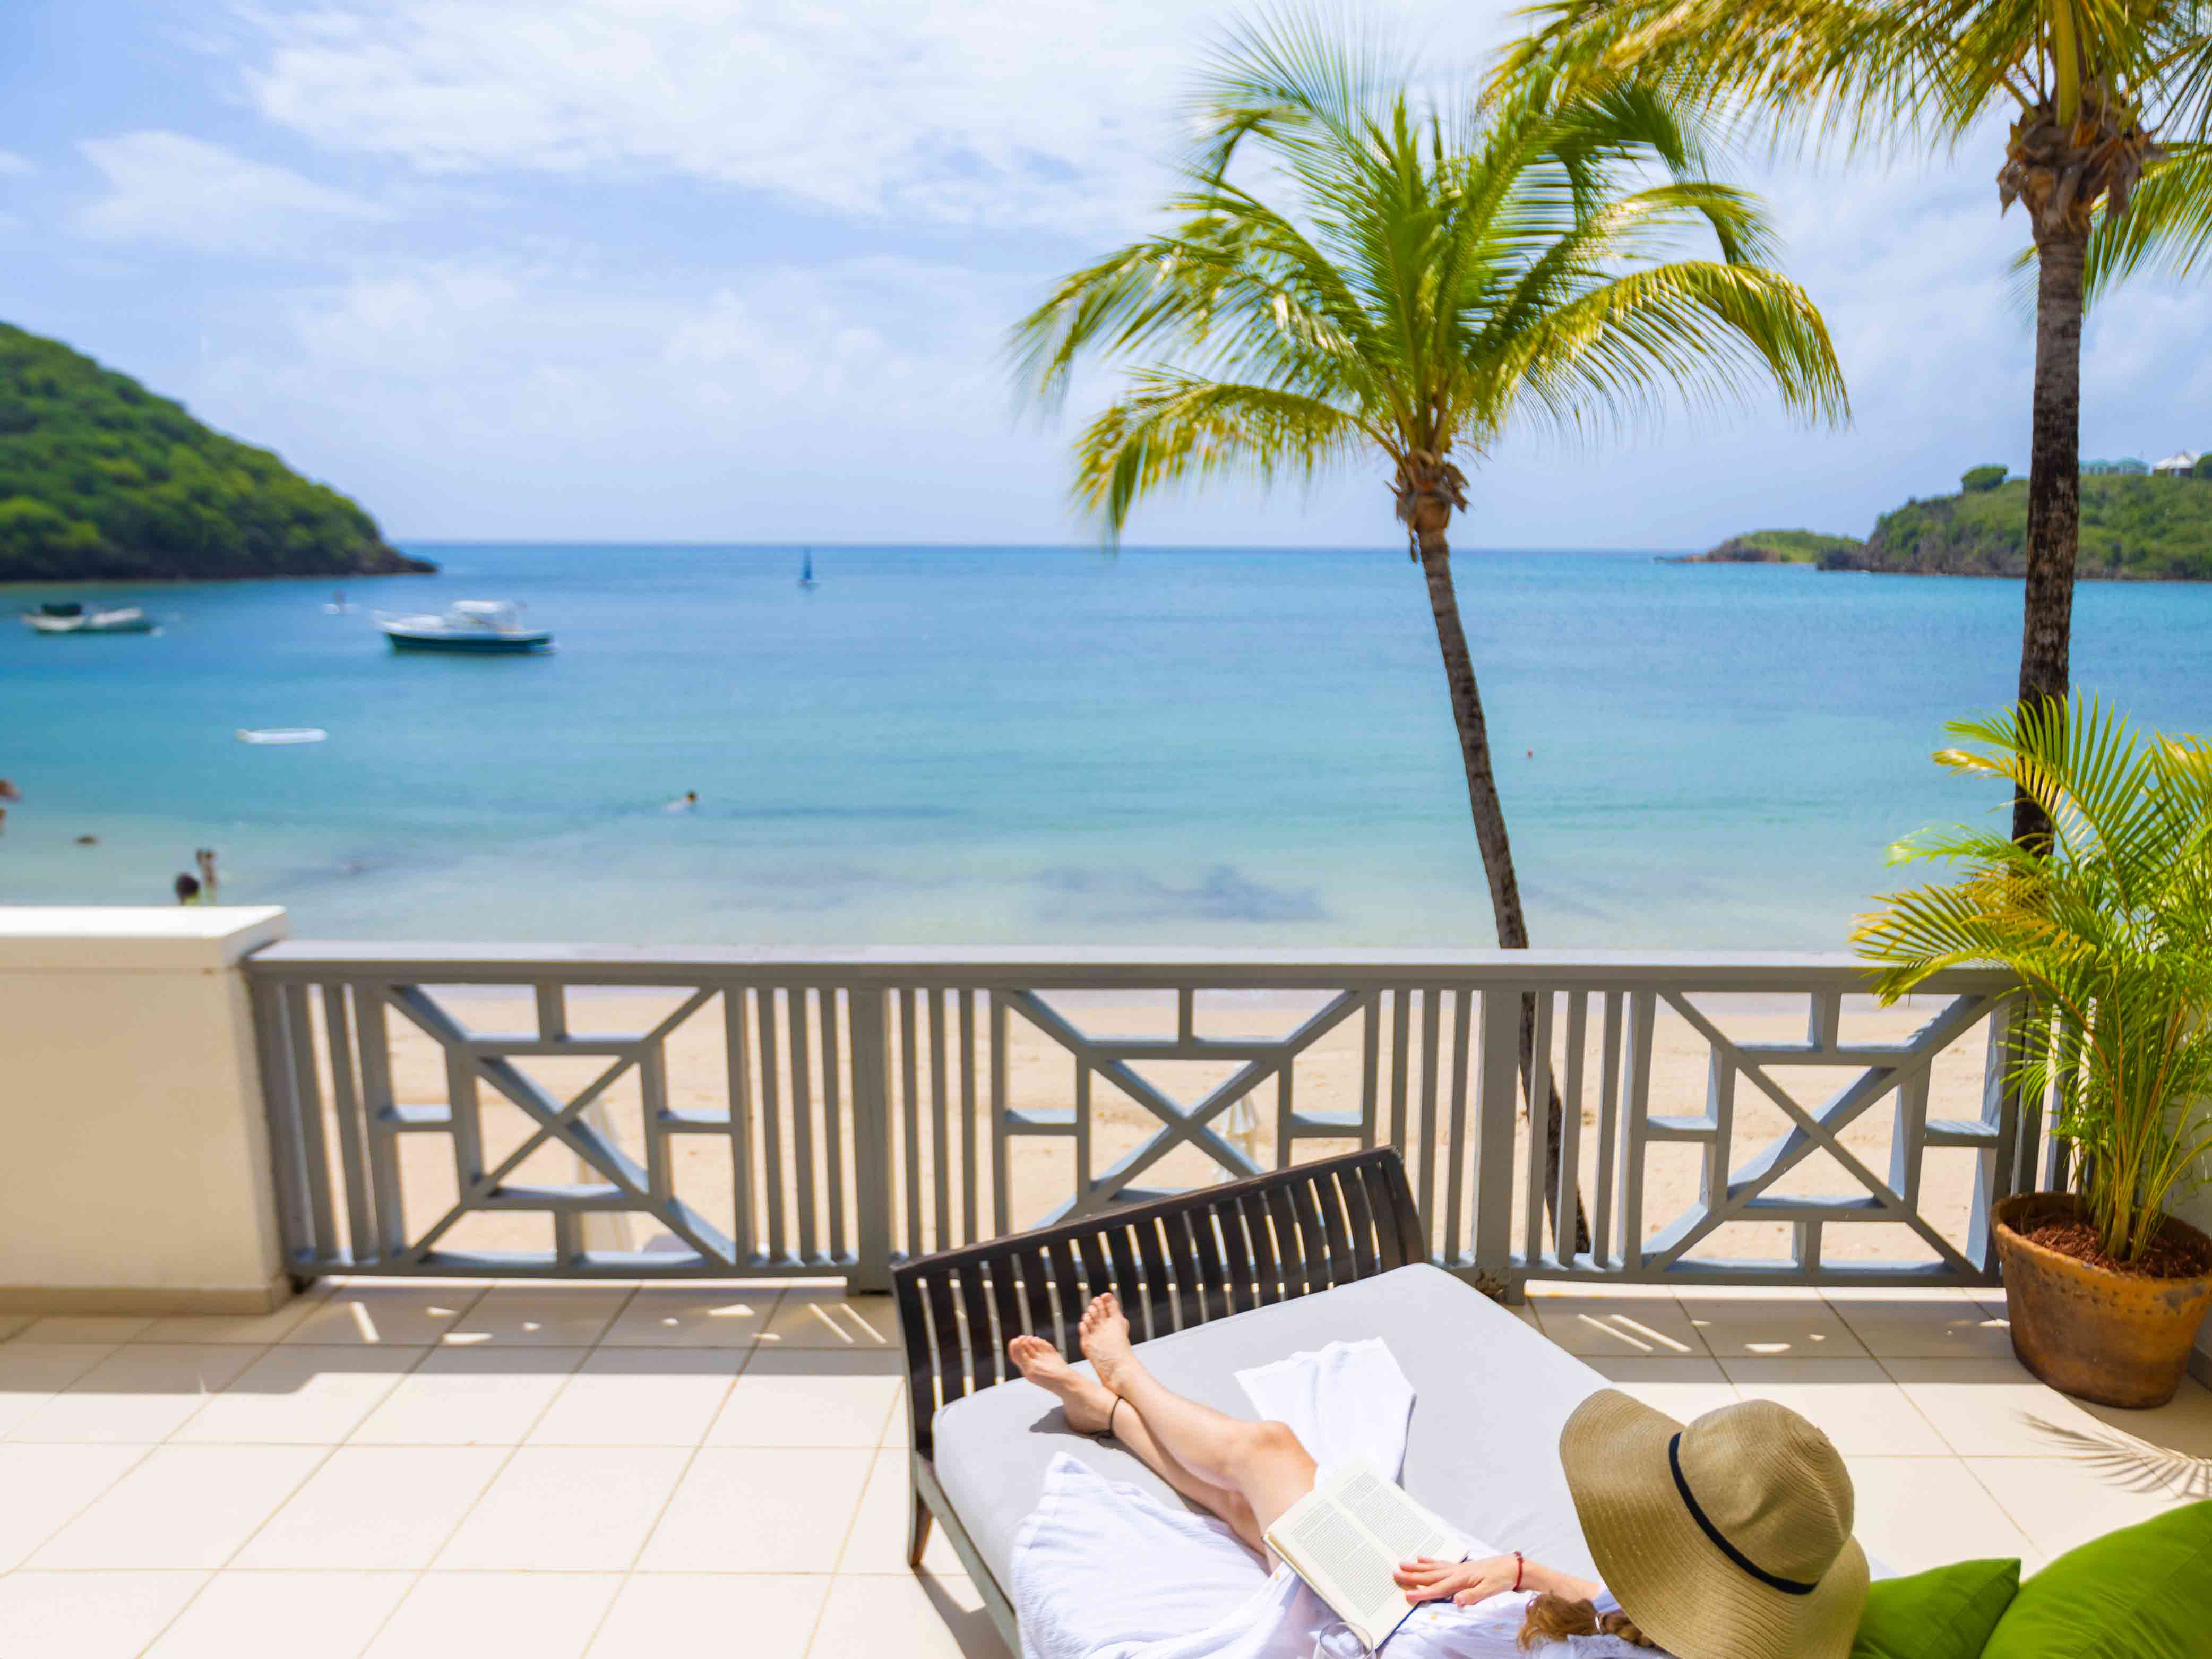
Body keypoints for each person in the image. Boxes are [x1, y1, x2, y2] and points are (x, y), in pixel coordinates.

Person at [1010, 1292, 1866, 1659]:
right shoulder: (1723, 1628)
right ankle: (1112, 1409)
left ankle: (1125, 1381)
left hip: (1410, 1633)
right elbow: (1622, 1608)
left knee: (1269, 1457)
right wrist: (1520, 1570)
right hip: (1473, 1594)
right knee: (1257, 1512)